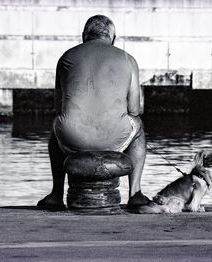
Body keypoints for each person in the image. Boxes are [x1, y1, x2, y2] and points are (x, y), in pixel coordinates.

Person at [37, 15, 150, 210]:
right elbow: (134, 110)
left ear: (83, 36)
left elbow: (59, 106)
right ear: (112, 38)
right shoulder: (128, 59)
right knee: (138, 126)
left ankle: (56, 195)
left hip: (73, 138)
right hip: (113, 137)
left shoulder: (66, 57)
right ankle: (135, 194)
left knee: (57, 126)